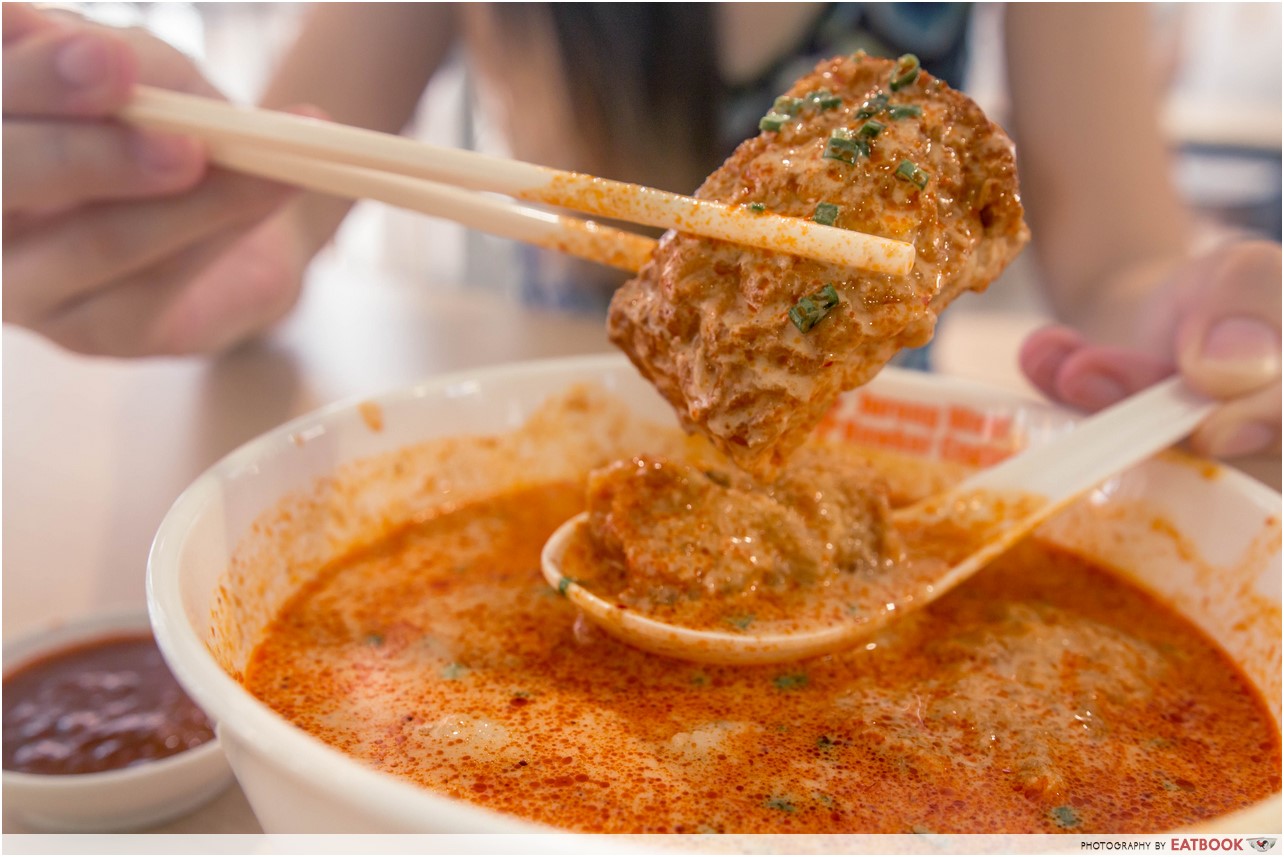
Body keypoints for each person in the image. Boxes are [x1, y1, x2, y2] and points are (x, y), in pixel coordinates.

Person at [4, 3, 1279, 468]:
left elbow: (1118, 264)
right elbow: (284, 207)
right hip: (538, 437)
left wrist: (1194, 316)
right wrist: (176, 208)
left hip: (890, 441)